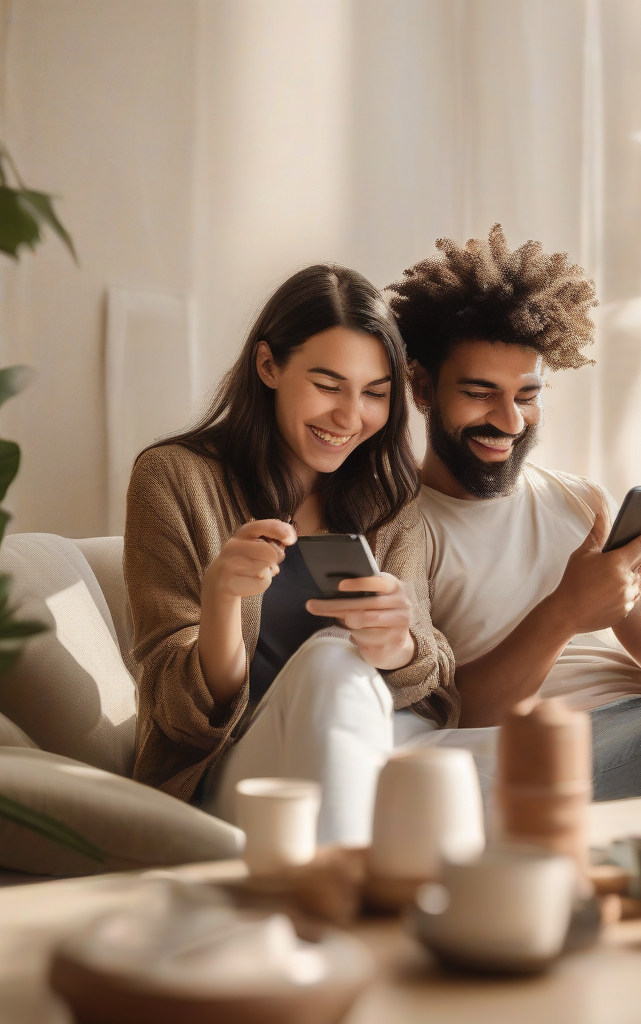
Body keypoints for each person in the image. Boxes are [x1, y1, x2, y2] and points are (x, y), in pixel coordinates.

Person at [385, 226, 641, 799]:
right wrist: (564, 612)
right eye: (480, 393)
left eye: (527, 396)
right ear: (423, 387)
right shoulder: (401, 526)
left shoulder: (578, 501)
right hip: (561, 745)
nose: (509, 421)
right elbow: (455, 714)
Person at [124, 265, 457, 844]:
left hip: (374, 747)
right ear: (268, 365)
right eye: (328, 385)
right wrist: (222, 601)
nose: (350, 418)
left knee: (531, 752)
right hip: (241, 772)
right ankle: (339, 896)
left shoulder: (388, 500)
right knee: (333, 659)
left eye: (375, 394)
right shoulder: (174, 478)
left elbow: (431, 674)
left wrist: (397, 645)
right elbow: (176, 712)